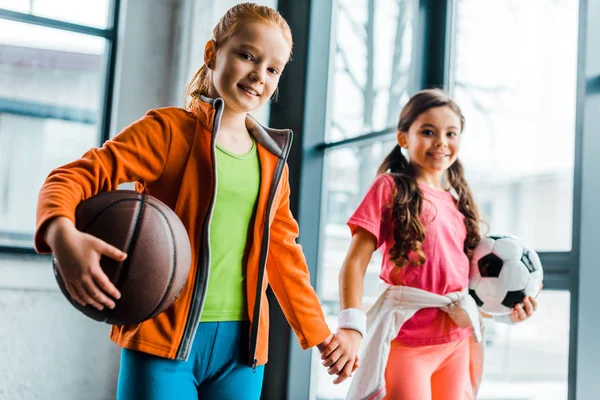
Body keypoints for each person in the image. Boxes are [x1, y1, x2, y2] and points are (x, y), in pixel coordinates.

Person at [35, 3, 355, 399]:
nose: (259, 74)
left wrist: (319, 334)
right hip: (162, 341)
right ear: (212, 53)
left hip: (242, 352)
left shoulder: (274, 161)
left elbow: (283, 253)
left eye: (273, 69)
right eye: (247, 55)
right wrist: (61, 232)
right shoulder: (169, 132)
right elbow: (74, 175)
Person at [328, 89, 539, 400]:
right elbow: (354, 264)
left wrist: (508, 310)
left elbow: (465, 286)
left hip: (456, 343)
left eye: (451, 133)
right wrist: (350, 325)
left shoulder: (458, 204)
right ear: (404, 138)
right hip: (408, 344)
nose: (441, 141)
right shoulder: (390, 187)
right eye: (428, 132)